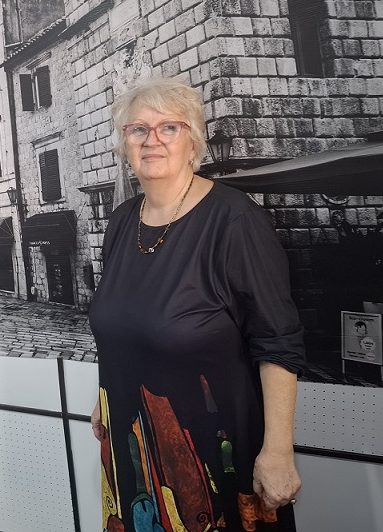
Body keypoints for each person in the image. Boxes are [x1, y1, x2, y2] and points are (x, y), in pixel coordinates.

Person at [89, 77, 306, 532]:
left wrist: (278, 450)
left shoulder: (235, 219)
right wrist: (104, 398)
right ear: (124, 145)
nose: (152, 140)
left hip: (214, 453)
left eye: (169, 127)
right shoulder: (122, 221)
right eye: (138, 129)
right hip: (133, 447)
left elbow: (277, 342)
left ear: (194, 142)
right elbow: (121, 324)